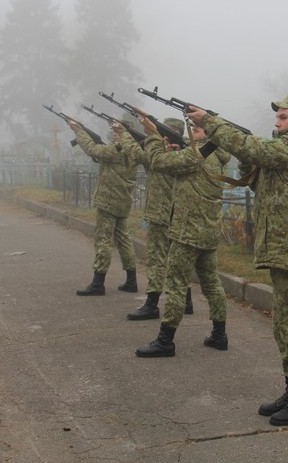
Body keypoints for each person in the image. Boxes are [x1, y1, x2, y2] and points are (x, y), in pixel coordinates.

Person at [186, 94, 288, 426]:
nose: (277, 123)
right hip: (284, 247)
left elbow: (257, 149)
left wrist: (210, 121)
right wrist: (246, 163)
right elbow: (258, 180)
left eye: (283, 118)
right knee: (284, 323)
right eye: (277, 118)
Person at [133, 115, 231, 357]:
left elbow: (157, 161)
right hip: (207, 232)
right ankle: (220, 334)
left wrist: (153, 134)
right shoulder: (216, 157)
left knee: (176, 285)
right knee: (211, 283)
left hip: (187, 231)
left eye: (196, 131)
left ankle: (165, 340)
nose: (191, 135)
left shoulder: (196, 157)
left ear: (207, 135)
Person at [121, 118, 195, 320]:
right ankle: (186, 301)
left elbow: (136, 153)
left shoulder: (159, 155)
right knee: (177, 260)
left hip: (160, 214)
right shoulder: (183, 155)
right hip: (175, 214)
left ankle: (152, 304)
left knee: (156, 259)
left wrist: (124, 134)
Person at [68, 118, 140, 297]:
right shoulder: (133, 150)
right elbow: (100, 155)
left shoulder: (118, 149)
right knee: (123, 239)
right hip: (122, 200)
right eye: (114, 133)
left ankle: (98, 283)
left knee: (103, 240)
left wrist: (78, 130)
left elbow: (93, 150)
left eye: (118, 133)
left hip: (109, 201)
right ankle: (132, 280)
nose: (114, 136)